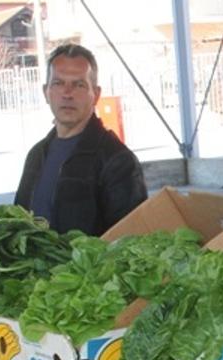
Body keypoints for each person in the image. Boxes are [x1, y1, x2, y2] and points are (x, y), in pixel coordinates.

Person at [14, 44, 148, 235]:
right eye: (58, 83)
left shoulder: (117, 161)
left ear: (96, 94)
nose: (67, 93)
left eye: (79, 84)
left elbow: (130, 241)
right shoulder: (36, 155)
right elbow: (16, 224)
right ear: (46, 92)